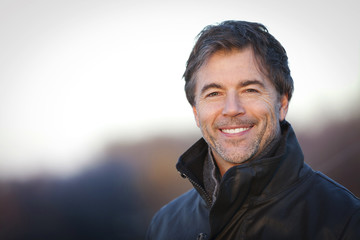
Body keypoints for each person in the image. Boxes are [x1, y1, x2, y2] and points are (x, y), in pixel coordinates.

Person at [146, 20, 360, 240]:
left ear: (282, 104)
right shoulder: (165, 225)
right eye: (214, 93)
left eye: (249, 90)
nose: (232, 109)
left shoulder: (345, 220)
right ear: (196, 113)